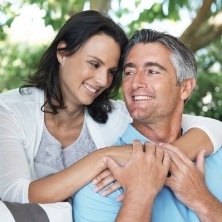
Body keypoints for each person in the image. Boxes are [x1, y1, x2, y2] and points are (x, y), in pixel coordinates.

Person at [0, 9, 221, 206]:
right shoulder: (10, 111)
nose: (103, 81)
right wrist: (104, 156)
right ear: (62, 52)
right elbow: (15, 193)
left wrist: (156, 161)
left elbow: (210, 128)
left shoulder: (114, 114)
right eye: (94, 64)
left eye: (112, 71)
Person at [73, 29, 222, 221]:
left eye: (152, 71)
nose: (135, 83)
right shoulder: (102, 183)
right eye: (129, 72)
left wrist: (203, 201)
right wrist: (139, 194)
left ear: (185, 87)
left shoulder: (216, 150)